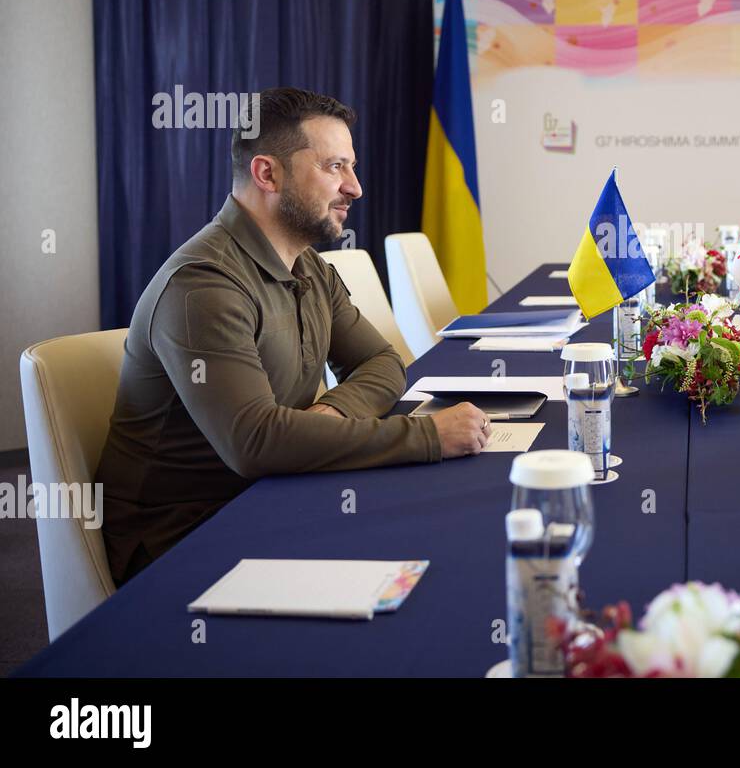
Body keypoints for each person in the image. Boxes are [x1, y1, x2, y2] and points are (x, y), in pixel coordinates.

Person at [97, 87, 488, 586]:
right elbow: (256, 443)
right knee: (426, 555)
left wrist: (328, 414)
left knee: (441, 533)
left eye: (351, 167)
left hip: (276, 494)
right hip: (185, 542)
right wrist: (429, 435)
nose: (356, 188)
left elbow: (384, 363)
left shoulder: (308, 266)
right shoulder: (203, 285)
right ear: (267, 173)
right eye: (335, 167)